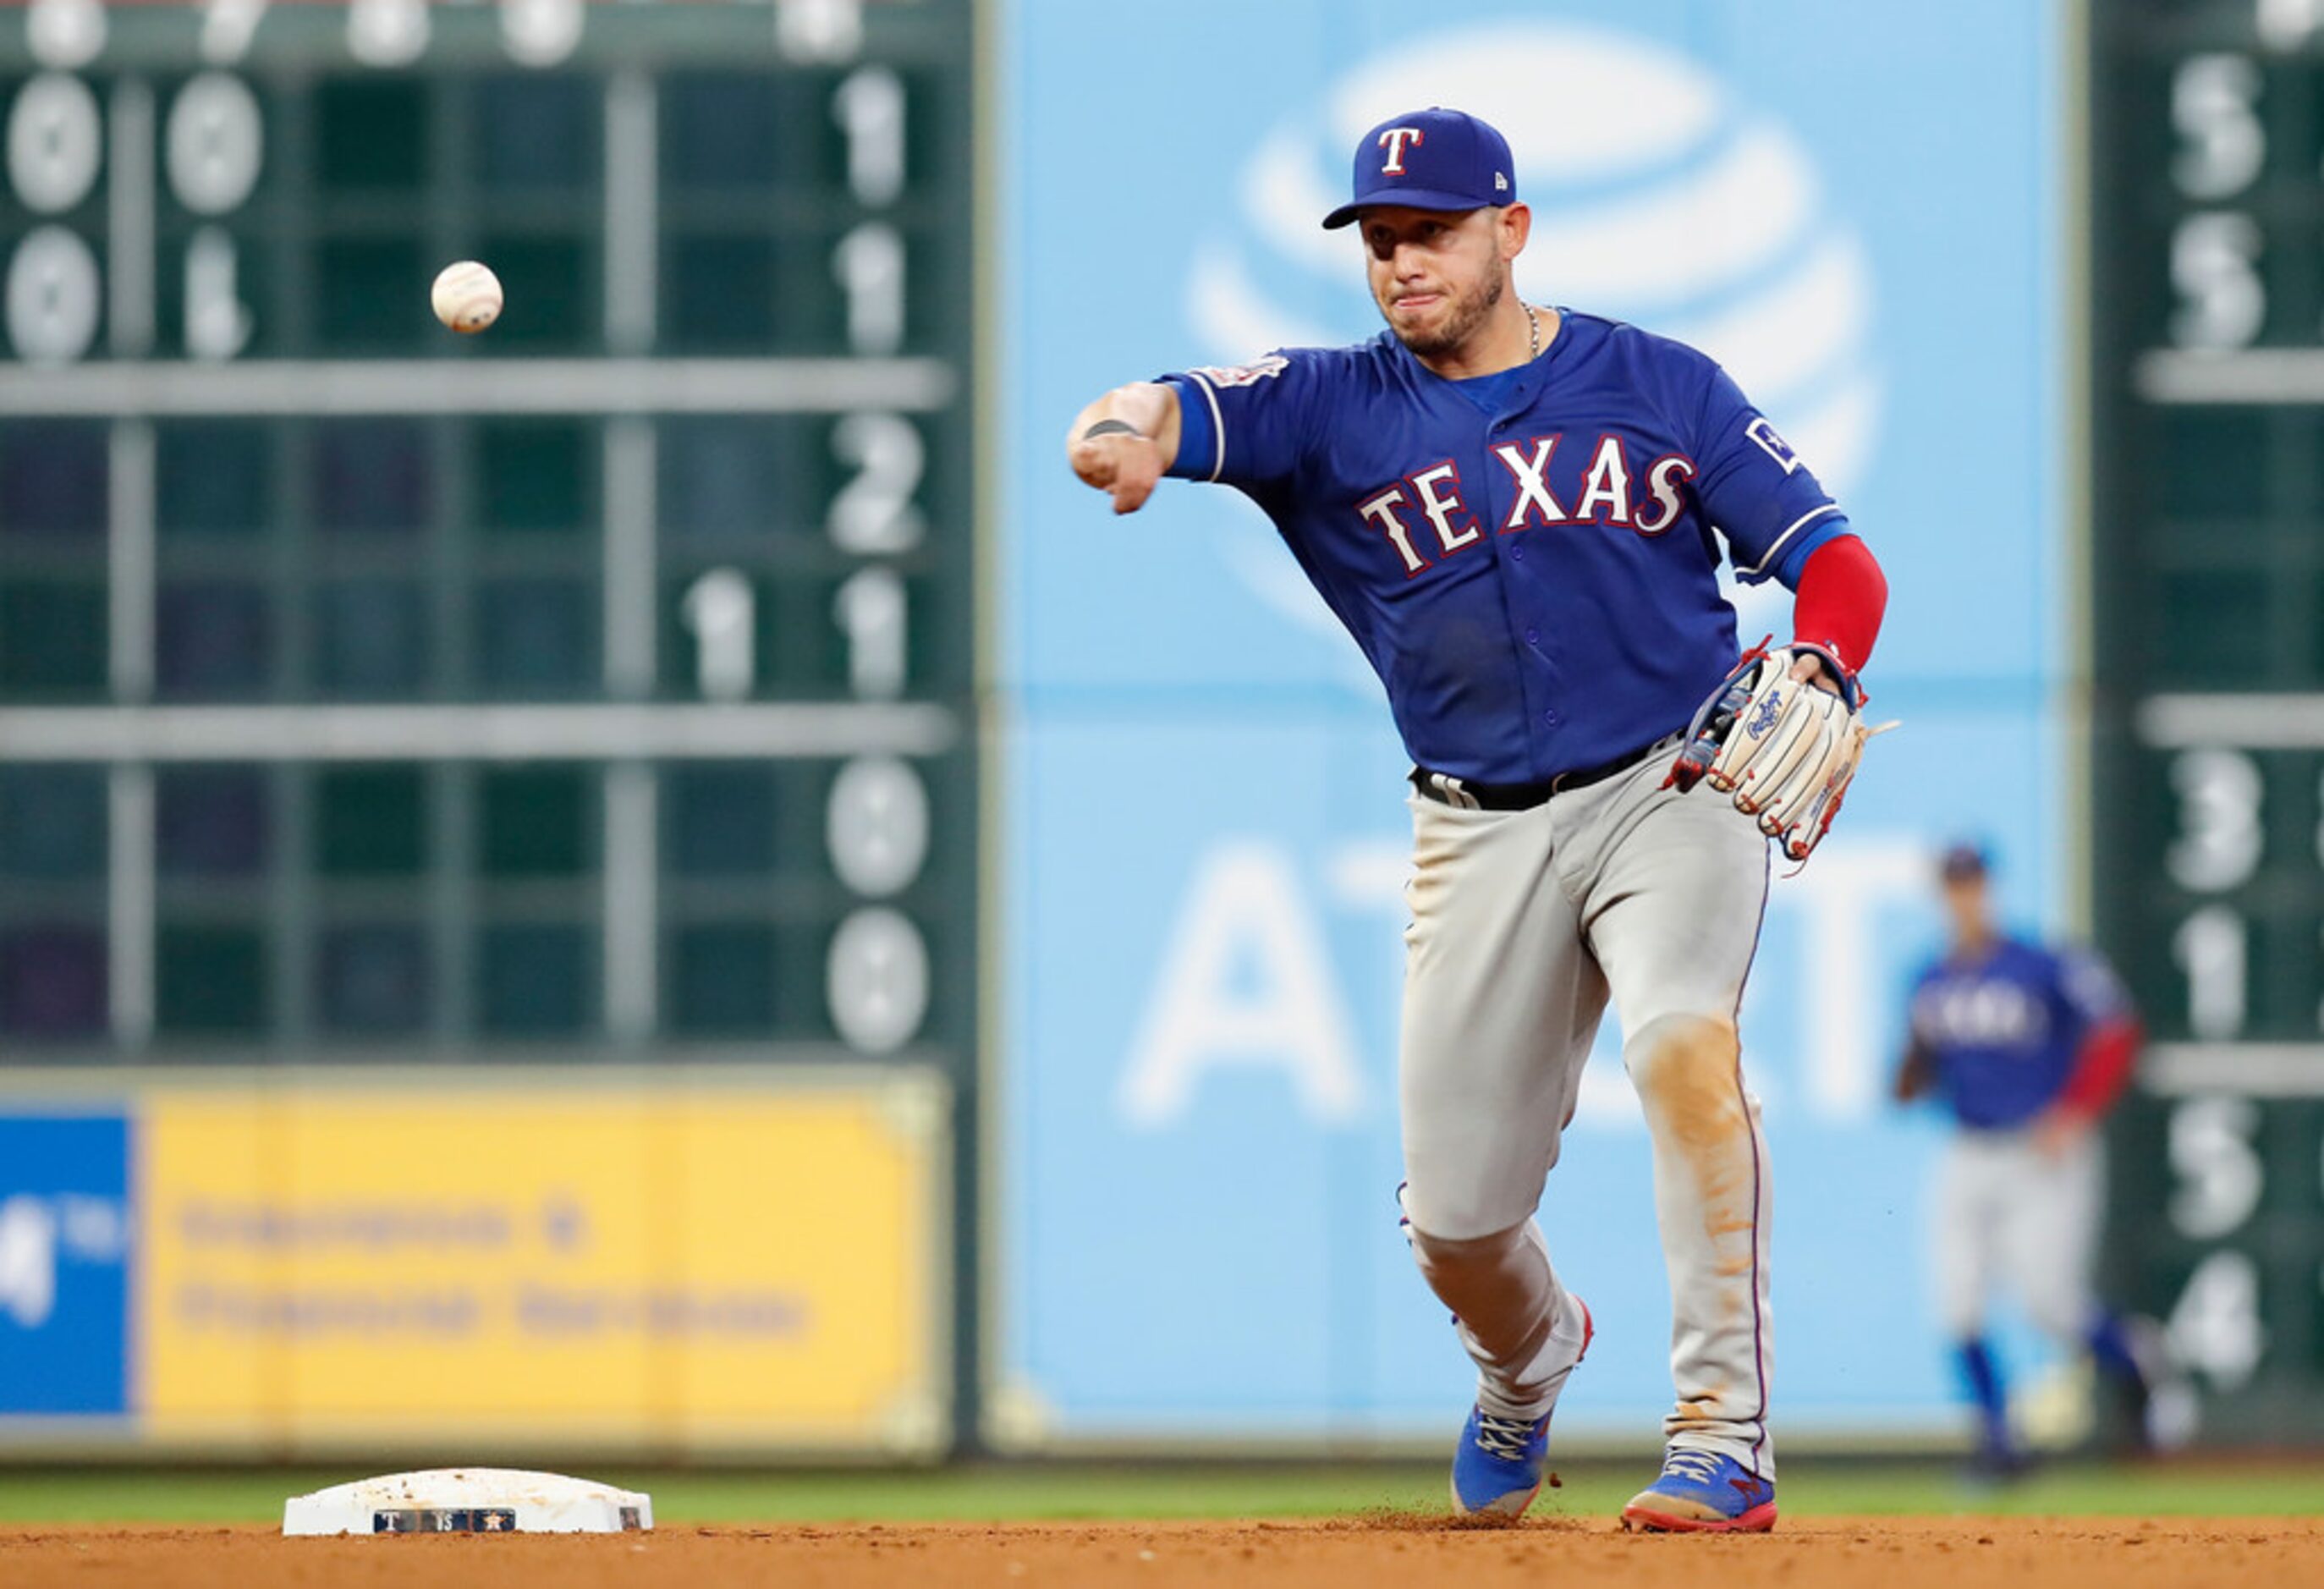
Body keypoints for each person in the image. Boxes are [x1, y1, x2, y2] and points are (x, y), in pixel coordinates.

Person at [1064, 107, 1889, 1531]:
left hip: (1669, 785)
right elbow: (1161, 402)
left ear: (1510, 230)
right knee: (1454, 1218)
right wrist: (1120, 436)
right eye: (1380, 240)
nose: (1401, 264)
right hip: (1475, 824)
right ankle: (1530, 1358)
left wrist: (1818, 655)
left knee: (1684, 1049)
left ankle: (1724, 1438)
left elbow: (1835, 561)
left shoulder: (1658, 382)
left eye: (1431, 233)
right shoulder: (1328, 404)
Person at [1895, 841, 2185, 1475]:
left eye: (1970, 883)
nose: (1963, 896)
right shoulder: (1930, 977)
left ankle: (2135, 1361)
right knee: (1957, 1300)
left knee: (2049, 1304)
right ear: (1941, 895)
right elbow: (1915, 1072)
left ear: (1986, 889)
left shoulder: (2040, 962)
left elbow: (2114, 1028)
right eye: (1952, 885)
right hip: (1968, 1149)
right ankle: (2000, 1441)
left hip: (2039, 1148)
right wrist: (1909, 1070)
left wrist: (2075, 1110)